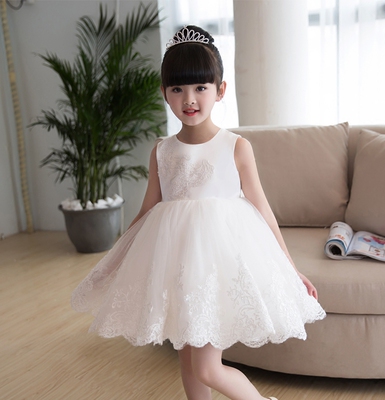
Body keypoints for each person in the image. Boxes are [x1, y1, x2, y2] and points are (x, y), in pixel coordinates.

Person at [71, 25, 325, 400]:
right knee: (189, 362)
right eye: (177, 89)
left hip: (217, 268)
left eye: (200, 87)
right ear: (164, 92)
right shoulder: (162, 150)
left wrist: (290, 267)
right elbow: (147, 211)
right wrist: (113, 260)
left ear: (220, 90)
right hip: (177, 267)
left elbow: (262, 209)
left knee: (207, 367)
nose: (189, 99)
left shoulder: (236, 146)